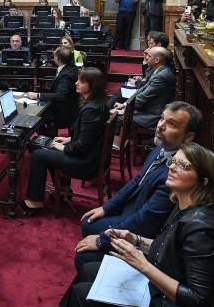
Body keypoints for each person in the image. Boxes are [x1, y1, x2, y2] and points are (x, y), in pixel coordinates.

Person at [56, 142, 214, 307]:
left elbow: (199, 301)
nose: (171, 167)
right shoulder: (183, 204)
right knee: (88, 270)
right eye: (174, 161)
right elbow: (166, 247)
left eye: (183, 166)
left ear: (204, 181)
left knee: (81, 297)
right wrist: (135, 239)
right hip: (161, 292)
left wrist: (141, 264)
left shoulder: (201, 231)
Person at [75, 101, 202, 269]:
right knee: (88, 223)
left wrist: (101, 240)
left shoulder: (175, 175)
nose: (161, 126)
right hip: (131, 212)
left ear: (188, 137)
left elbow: (144, 224)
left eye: (171, 124)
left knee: (84, 257)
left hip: (142, 235)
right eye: (162, 119)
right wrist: (105, 208)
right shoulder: (160, 150)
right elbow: (136, 181)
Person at [21, 67, 109, 216]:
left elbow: (83, 146)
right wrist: (68, 139)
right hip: (88, 156)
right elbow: (89, 135)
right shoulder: (97, 104)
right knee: (46, 144)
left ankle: (35, 202)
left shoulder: (91, 109)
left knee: (38, 154)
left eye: (81, 81)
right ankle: (64, 191)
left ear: (92, 86)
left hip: (85, 162)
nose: (76, 83)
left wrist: (64, 148)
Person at [25, 46, 79, 132]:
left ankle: (46, 138)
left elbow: (60, 96)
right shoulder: (71, 68)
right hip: (68, 106)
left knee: (34, 116)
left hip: (64, 112)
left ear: (57, 58)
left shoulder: (66, 75)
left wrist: (37, 95)